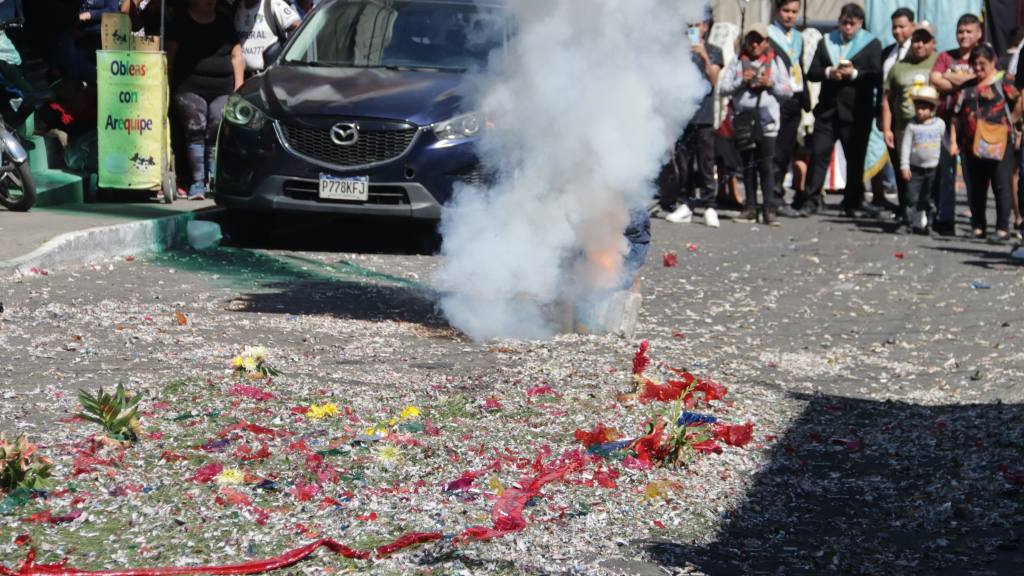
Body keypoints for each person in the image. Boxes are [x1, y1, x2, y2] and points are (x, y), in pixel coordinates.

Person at [803, 3, 882, 218]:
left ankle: (853, 201)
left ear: (860, 24)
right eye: (844, 23)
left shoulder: (871, 44)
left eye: (852, 24)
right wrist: (830, 72)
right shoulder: (827, 41)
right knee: (819, 154)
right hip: (828, 110)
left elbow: (876, 75)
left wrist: (854, 74)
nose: (847, 28)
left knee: (855, 159)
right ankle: (811, 199)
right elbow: (812, 72)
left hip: (856, 112)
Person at [168, 0, 244, 199]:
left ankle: (212, 180)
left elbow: (236, 55)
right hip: (189, 89)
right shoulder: (181, 22)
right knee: (196, 128)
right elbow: (171, 57)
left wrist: (239, 87)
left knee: (214, 129)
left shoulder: (225, 22)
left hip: (222, 89)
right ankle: (197, 182)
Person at [719, 22, 792, 226]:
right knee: (748, 166)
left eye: (759, 40)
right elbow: (723, 89)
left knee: (767, 166)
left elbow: (788, 91)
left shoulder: (775, 62)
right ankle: (749, 207)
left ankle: (769, 209)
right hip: (744, 122)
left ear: (766, 42)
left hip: (768, 122)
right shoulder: (737, 61)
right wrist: (742, 81)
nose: (754, 45)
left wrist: (770, 84)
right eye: (751, 40)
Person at [656, 7, 722, 225]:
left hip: (704, 116)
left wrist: (702, 55)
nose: (694, 29)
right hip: (684, 115)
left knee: (705, 163)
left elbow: (714, 80)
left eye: (699, 25)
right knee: (683, 164)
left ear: (706, 26)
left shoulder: (714, 51)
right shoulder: (679, 52)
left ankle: (710, 205)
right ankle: (686, 203)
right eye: (691, 25)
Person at [950, 44, 1019, 243]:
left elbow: (1019, 101)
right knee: (976, 186)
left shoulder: (1004, 80)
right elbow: (955, 116)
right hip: (972, 143)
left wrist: (1012, 123)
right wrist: (954, 141)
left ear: (993, 62)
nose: (978, 68)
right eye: (975, 64)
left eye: (983, 64)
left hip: (999, 141)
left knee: (1001, 184)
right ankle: (978, 225)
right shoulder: (968, 87)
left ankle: (1002, 228)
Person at [930, 13, 984, 236]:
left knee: (974, 175)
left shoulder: (983, 56)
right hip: (945, 121)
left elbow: (983, 80)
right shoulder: (945, 56)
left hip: (973, 125)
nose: (964, 36)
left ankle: (978, 221)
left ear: (978, 33)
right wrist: (966, 82)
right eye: (960, 31)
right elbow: (935, 79)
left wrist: (951, 78)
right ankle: (946, 218)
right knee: (946, 172)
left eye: (969, 31)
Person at [882, 22, 938, 227]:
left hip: (932, 131)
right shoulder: (899, 67)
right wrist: (887, 128)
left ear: (933, 43)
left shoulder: (939, 62)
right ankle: (907, 216)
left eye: (924, 41)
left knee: (931, 176)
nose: (919, 45)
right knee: (905, 173)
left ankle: (930, 217)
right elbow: (887, 99)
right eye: (916, 40)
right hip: (904, 128)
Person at [766, 0, 807, 217]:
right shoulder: (769, 35)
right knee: (776, 151)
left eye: (794, 11)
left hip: (795, 97)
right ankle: (772, 196)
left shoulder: (798, 37)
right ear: (777, 11)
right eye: (786, 11)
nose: (790, 16)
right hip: (776, 98)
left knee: (787, 150)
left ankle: (778, 192)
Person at [899, 86, 944, 233]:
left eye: (924, 108)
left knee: (930, 198)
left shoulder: (939, 124)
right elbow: (906, 146)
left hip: (933, 168)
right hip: (915, 168)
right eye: (918, 108)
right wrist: (904, 166)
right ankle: (908, 223)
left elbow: (946, 142)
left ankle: (930, 224)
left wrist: (953, 149)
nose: (920, 111)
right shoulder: (912, 126)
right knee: (911, 197)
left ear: (932, 109)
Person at [234, 0, 300, 75]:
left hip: (267, 76)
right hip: (241, 77)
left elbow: (299, 28)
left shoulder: (273, 4)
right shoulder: (236, 6)